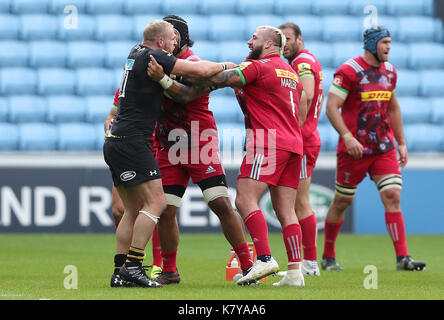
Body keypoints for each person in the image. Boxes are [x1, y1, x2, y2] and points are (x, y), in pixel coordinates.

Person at [148, 25, 308, 287]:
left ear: (268, 44)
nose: (248, 42)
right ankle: (294, 272)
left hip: (266, 140)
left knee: (244, 199)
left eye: (254, 38)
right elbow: (302, 107)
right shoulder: (291, 73)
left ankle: (263, 258)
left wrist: (186, 74)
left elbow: (216, 81)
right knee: (286, 210)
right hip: (293, 142)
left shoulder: (258, 67)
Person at [104, 19, 234, 288]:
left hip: (116, 140)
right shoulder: (155, 56)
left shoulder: (135, 52)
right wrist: (225, 66)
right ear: (162, 42)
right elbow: (199, 69)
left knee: (131, 210)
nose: (176, 44)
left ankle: (119, 270)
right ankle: (134, 267)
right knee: (157, 203)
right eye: (172, 40)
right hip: (134, 141)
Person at [147, 14, 254, 285]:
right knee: (166, 209)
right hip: (169, 145)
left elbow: (184, 94)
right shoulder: (157, 62)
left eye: (169, 36)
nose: (164, 41)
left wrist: (161, 80)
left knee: (220, 203)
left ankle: (248, 265)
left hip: (199, 142)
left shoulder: (195, 65)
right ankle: (170, 270)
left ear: (179, 38)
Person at [321, 26, 426, 271]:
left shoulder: (389, 72)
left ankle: (403, 258)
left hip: (383, 148)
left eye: (390, 42)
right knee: (342, 202)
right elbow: (331, 107)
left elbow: (393, 108)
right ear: (371, 44)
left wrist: (401, 142)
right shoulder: (349, 71)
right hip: (354, 150)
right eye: (384, 42)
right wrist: (347, 137)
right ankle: (328, 257)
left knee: (393, 196)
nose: (389, 47)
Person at [279, 22, 324, 276]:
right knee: (296, 203)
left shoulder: (302, 63)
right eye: (281, 40)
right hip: (308, 137)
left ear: (299, 39)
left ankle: (309, 263)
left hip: (303, 140)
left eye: (288, 39)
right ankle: (308, 262)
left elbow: (306, 95)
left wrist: (293, 130)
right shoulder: (309, 60)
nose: (285, 44)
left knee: (299, 203)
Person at [106, 88, 163, 285]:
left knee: (145, 208)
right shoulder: (127, 88)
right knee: (129, 209)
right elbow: (111, 116)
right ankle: (128, 267)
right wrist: (109, 127)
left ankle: (155, 264)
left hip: (150, 149)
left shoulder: (138, 80)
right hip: (135, 147)